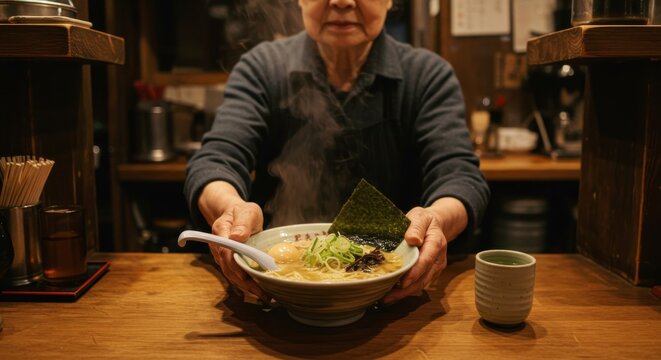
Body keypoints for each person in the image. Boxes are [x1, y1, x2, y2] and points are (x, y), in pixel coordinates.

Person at [185, 0, 490, 305]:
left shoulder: (427, 75)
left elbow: (460, 176)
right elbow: (216, 160)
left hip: (393, 294)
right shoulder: (262, 68)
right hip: (275, 296)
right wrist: (232, 211)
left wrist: (434, 219)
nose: (342, 1)